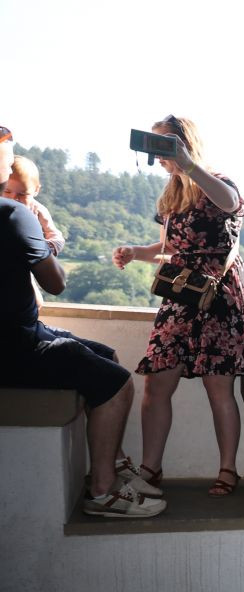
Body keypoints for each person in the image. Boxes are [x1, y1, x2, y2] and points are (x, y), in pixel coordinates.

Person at [1, 126, 164, 518]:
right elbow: (56, 283)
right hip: (14, 347)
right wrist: (44, 243)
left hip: (17, 336)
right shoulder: (13, 215)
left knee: (105, 354)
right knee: (116, 383)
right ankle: (103, 492)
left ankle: (114, 464)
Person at [112, 115, 244, 497]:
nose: (159, 155)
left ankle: (228, 470)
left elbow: (231, 203)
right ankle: (151, 469)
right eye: (155, 146)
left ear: (184, 143)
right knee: (156, 382)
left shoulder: (216, 182)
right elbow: (169, 247)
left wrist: (189, 165)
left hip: (218, 294)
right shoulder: (171, 195)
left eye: (165, 145)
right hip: (180, 293)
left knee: (218, 386)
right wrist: (136, 252)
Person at [3, 155, 65, 256]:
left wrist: (45, 249)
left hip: (28, 258)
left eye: (22, 194)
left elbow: (56, 236)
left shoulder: (38, 210)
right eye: (7, 191)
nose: (14, 198)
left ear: (36, 190)